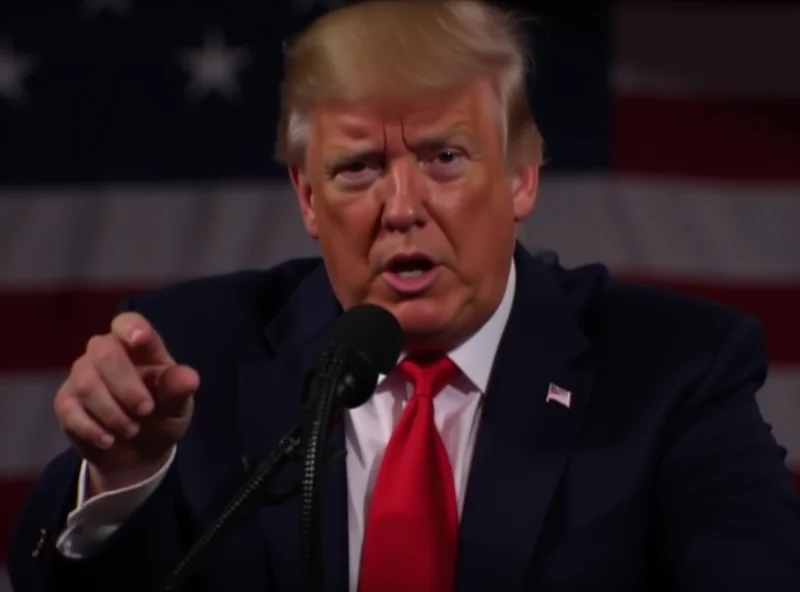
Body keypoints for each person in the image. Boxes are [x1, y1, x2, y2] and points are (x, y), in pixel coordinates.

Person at [9, 1, 800, 590]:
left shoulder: (672, 371)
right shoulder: (192, 355)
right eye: (357, 167)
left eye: (445, 157)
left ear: (522, 176)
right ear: (307, 197)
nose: (402, 206)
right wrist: (121, 483)